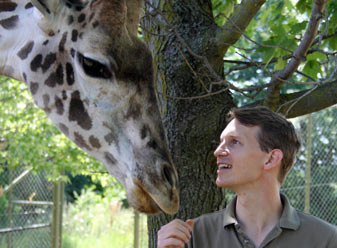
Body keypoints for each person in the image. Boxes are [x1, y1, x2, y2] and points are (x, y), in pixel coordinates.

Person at [157, 106, 337, 248]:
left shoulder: (326, 240)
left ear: (271, 159)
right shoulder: (192, 236)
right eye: (221, 143)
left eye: (234, 142)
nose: (218, 152)